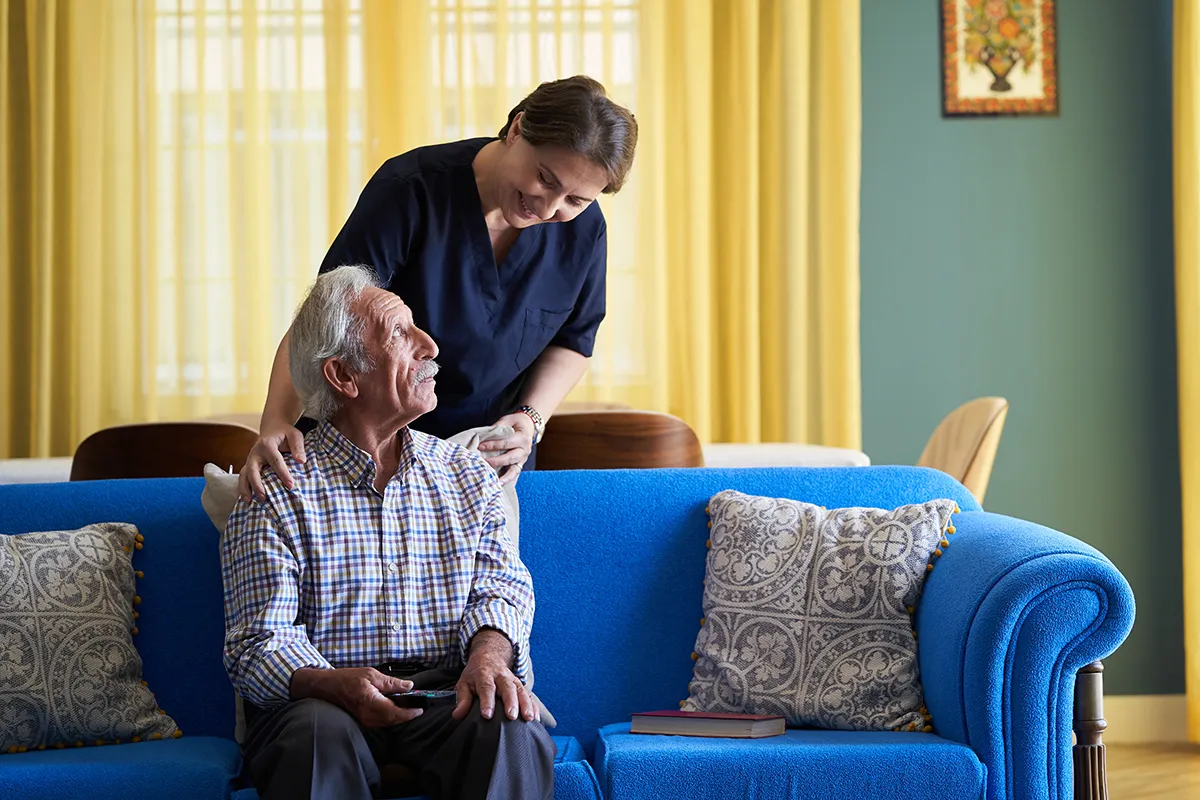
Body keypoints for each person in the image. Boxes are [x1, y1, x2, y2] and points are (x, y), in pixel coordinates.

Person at [222, 265, 552, 800]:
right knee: (311, 738)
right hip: (323, 703)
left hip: (448, 693)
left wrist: (487, 660)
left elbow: (501, 591)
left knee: (508, 725)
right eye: (400, 332)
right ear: (344, 377)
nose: (430, 346)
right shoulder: (277, 490)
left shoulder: (469, 476)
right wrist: (334, 683)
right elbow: (258, 645)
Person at [239, 75, 637, 500]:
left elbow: (574, 340)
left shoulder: (585, 231)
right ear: (518, 128)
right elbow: (323, 321)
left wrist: (530, 418)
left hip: (484, 459)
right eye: (545, 178)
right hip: (371, 451)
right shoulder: (411, 190)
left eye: (576, 201)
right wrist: (277, 422)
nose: (548, 207)